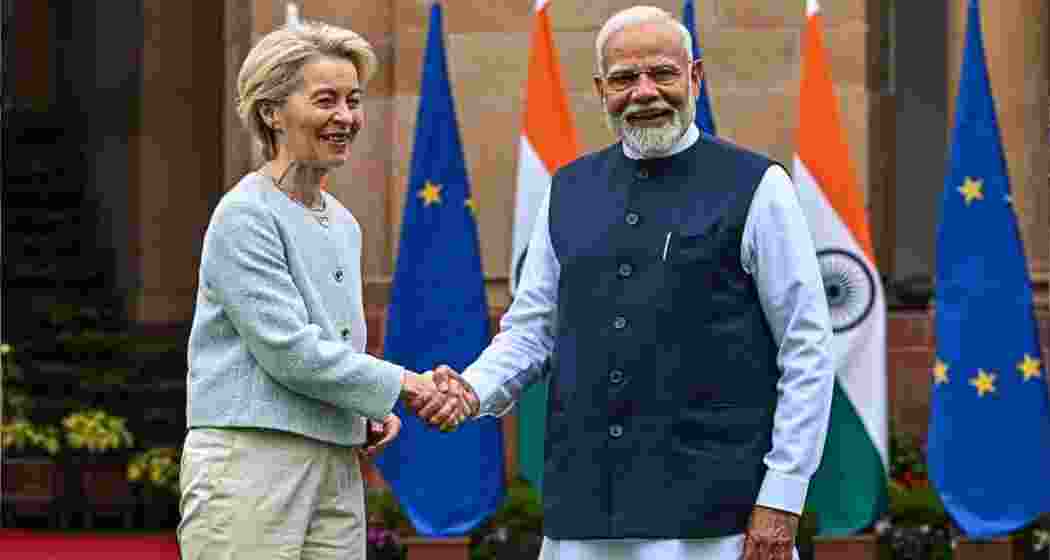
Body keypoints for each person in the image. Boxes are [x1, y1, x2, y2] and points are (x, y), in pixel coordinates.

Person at [429, 6, 835, 560]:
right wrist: (472, 391)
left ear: (695, 78)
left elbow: (807, 348)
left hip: (718, 517)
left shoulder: (759, 186)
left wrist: (783, 497)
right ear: (600, 89)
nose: (644, 92)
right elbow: (530, 332)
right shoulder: (567, 189)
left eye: (662, 74)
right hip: (587, 511)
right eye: (624, 78)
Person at [178, 21, 463, 560]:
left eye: (354, 101)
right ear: (271, 112)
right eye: (326, 100)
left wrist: (364, 411)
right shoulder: (244, 215)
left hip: (335, 460)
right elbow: (291, 351)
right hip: (250, 466)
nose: (346, 117)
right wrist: (407, 384)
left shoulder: (344, 223)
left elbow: (335, 348)